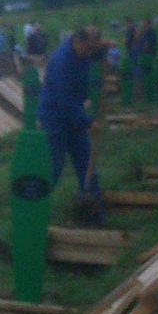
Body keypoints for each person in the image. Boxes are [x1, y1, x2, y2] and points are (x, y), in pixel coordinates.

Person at [38, 27, 111, 199]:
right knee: (55, 165)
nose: (89, 54)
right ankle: (36, 204)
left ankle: (91, 204)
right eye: (87, 49)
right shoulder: (62, 62)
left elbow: (93, 52)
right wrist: (87, 122)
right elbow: (64, 101)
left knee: (86, 162)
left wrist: (102, 50)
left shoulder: (83, 50)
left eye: (92, 50)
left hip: (73, 115)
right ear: (77, 41)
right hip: (55, 118)